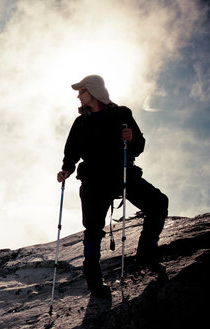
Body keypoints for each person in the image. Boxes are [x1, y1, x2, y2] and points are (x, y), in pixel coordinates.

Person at [57, 75, 169, 297]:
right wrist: (67, 169)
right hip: (94, 181)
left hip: (122, 175)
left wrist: (131, 138)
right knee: (93, 230)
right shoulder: (81, 122)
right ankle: (93, 277)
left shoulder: (122, 114)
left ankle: (146, 253)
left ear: (94, 91)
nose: (78, 96)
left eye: (82, 91)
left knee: (158, 203)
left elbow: (138, 145)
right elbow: (72, 151)